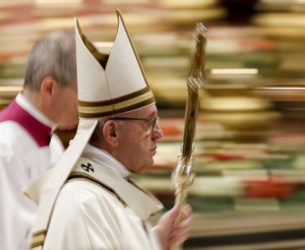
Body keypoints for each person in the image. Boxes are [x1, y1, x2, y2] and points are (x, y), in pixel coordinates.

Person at [28, 10, 191, 250]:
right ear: (112, 133)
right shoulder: (82, 203)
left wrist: (156, 242)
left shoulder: (104, 192)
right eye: (149, 122)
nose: (159, 133)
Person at [0, 30, 78, 250]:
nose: (87, 104)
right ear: (49, 87)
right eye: (82, 93)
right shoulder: (5, 147)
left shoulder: (52, 142)